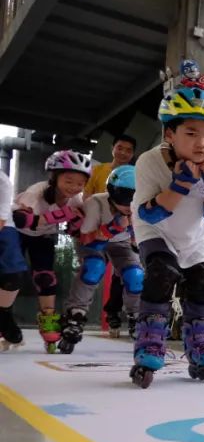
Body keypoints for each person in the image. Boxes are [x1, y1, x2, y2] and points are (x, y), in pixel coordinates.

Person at [130, 67, 204, 388]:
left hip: (194, 236)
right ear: (169, 134)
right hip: (155, 231)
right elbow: (150, 215)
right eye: (191, 133)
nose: (202, 144)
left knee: (202, 285)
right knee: (161, 273)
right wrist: (181, 183)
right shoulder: (150, 161)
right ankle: (149, 342)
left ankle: (199, 345)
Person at [10, 151, 90, 352]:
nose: (74, 187)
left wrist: (75, 225)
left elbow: (79, 226)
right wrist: (62, 215)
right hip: (16, 233)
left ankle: (48, 321)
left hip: (43, 236)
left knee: (45, 278)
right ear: (54, 178)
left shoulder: (75, 199)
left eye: (80, 184)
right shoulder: (36, 193)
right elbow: (22, 220)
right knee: (11, 277)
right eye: (68, 181)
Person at [58, 165, 143, 353]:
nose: (129, 204)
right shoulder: (96, 202)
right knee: (94, 267)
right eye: (124, 198)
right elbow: (88, 239)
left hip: (120, 243)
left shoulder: (139, 208)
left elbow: (137, 245)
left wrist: (134, 234)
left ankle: (137, 317)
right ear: (112, 193)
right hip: (93, 240)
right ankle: (75, 314)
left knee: (135, 275)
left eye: (134, 198)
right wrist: (114, 227)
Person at [85, 134, 137, 335]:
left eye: (128, 150)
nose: (123, 152)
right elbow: (86, 197)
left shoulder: (136, 174)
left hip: (123, 232)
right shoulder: (98, 171)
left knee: (129, 274)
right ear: (112, 148)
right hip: (98, 230)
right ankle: (77, 314)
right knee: (93, 269)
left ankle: (119, 314)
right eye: (120, 147)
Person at [0, 167, 24, 349]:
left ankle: (4, 315)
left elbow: (1, 218)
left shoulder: (2, 180)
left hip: (4, 228)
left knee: (12, 275)